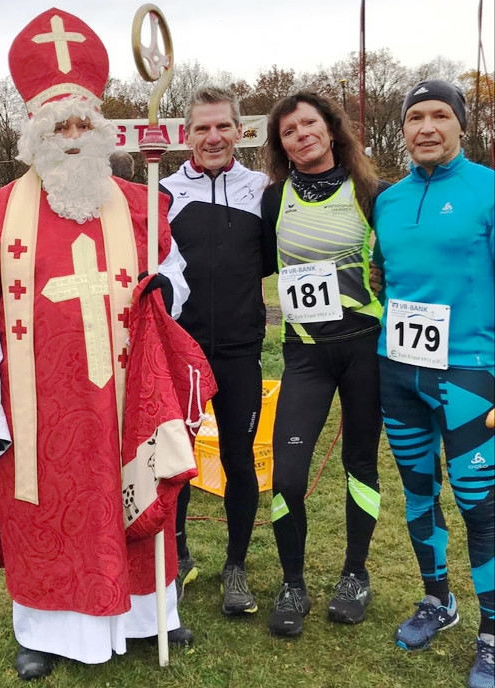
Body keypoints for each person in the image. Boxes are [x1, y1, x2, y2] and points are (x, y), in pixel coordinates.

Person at [0, 8, 192, 681]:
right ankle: (44, 632)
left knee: (140, 502)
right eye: (60, 125)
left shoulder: (142, 202)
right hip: (38, 413)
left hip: (125, 396)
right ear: (34, 136)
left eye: (84, 121)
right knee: (45, 516)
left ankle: (150, 618)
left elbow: (176, 287)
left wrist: (163, 294)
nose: (74, 134)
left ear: (103, 129)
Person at [373, 80, 494, 688]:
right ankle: (437, 601)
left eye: (439, 115)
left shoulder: (489, 190)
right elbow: (384, 279)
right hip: (398, 372)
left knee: (481, 508)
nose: (426, 126)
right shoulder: (389, 201)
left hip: (471, 375)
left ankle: (493, 634)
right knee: (419, 495)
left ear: (461, 125)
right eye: (414, 116)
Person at [261, 91, 385, 637]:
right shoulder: (273, 199)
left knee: (360, 464)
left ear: (330, 130)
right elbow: (252, 263)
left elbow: (399, 254)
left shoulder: (369, 191)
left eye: (309, 123)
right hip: (305, 353)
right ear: (280, 144)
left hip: (364, 348)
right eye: (289, 130)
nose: (301, 134)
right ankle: (293, 583)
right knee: (287, 475)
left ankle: (354, 575)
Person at [160, 86, 275, 614]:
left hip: (238, 351)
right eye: (201, 128)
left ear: (239, 131)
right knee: (176, 460)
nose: (213, 137)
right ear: (186, 135)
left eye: (222, 127)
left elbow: (277, 260)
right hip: (179, 351)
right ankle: (177, 557)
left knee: (238, 458)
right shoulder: (161, 195)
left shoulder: (262, 190)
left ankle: (236, 566)